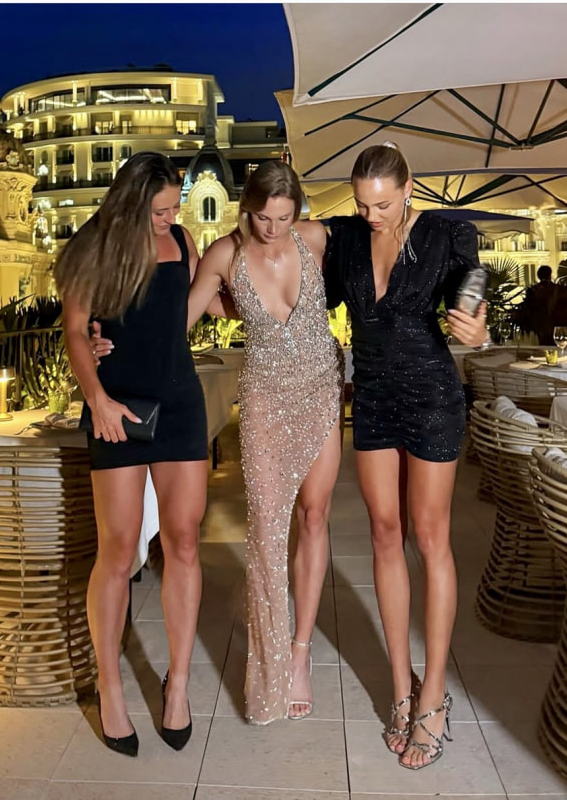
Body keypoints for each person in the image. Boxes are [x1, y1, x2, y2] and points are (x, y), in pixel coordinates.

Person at [94, 160, 342, 724]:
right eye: (263, 217)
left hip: (321, 389)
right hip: (264, 398)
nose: (274, 228)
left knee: (315, 516)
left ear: (298, 214)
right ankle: (268, 669)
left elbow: (364, 282)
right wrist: (101, 336)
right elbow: (172, 321)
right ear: (245, 208)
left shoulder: (316, 238)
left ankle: (299, 652)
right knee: (267, 531)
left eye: (284, 217)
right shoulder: (222, 256)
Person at [324, 142, 488, 771]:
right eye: (363, 205)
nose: (373, 216)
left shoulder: (447, 235)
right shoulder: (345, 238)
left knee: (430, 536)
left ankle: (434, 695)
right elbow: (291, 259)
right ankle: (401, 687)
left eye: (384, 205)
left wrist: (476, 324)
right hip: (372, 396)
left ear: (408, 189)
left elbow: (474, 285)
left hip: (432, 398)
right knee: (384, 533)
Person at [55, 152, 211, 756]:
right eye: (160, 211)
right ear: (130, 205)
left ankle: (179, 685)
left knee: (184, 541)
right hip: (116, 405)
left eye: (174, 208)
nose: (171, 218)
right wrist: (96, 399)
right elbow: (74, 330)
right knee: (118, 551)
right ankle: (110, 686)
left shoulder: (184, 241)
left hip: (180, 402)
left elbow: (181, 319)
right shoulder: (93, 248)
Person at [516, 265, 560, 345]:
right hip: (557, 324)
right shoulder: (557, 289)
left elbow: (528, 308)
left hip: (538, 325)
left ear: (538, 276)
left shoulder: (532, 290)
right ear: (550, 275)